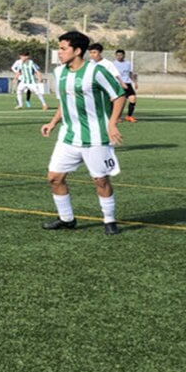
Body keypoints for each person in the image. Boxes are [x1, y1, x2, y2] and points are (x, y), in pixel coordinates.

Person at [41, 31, 126, 235]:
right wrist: (53, 122)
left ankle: (109, 220)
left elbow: (119, 95)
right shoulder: (59, 72)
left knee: (100, 180)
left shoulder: (96, 71)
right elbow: (65, 101)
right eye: (59, 48)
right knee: (54, 178)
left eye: (63, 49)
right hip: (68, 136)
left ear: (78, 51)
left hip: (96, 137)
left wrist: (112, 123)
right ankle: (66, 219)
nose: (59, 53)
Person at [113, 49, 139, 123]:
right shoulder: (113, 64)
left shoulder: (128, 63)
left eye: (120, 55)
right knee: (119, 101)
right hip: (118, 84)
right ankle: (116, 117)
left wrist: (135, 82)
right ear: (115, 56)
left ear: (124, 55)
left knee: (133, 98)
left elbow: (130, 73)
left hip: (127, 83)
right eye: (117, 55)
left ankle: (129, 116)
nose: (119, 57)